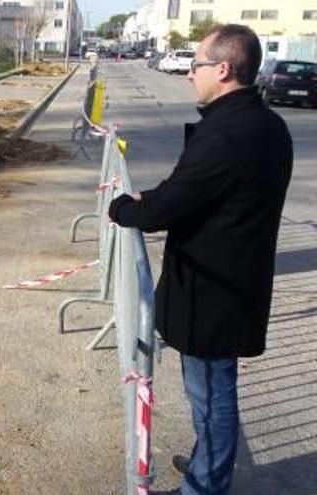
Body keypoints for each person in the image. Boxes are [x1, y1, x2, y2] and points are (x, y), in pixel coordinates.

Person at [108, 24, 293, 495]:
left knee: (212, 397)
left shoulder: (228, 134)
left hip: (214, 292)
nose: (191, 74)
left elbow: (166, 206)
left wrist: (123, 207)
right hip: (231, 283)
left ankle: (205, 484)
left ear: (224, 69)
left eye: (197, 65)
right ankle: (207, 461)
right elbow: (200, 193)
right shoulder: (266, 124)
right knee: (209, 395)